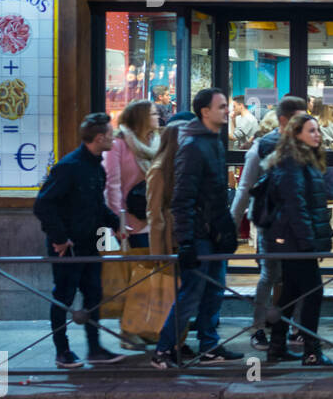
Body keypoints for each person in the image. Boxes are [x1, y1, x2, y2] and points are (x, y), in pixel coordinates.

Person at [152, 88, 242, 368]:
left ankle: (209, 345)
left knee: (215, 290)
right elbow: (183, 198)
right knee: (191, 292)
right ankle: (163, 350)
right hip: (200, 234)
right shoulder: (192, 146)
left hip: (213, 232)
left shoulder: (212, 142)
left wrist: (225, 228)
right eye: (222, 106)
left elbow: (215, 193)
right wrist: (187, 240)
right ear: (205, 111)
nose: (228, 110)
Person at [33, 113, 127, 368]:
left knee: (93, 294)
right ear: (99, 138)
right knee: (63, 296)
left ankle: (94, 348)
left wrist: (115, 224)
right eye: (110, 134)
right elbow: (43, 204)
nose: (114, 138)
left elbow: (97, 205)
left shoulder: (96, 166)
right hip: (69, 246)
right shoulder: (69, 166)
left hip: (91, 242)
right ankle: (62, 351)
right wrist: (60, 238)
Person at [230, 95, 309, 350]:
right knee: (270, 275)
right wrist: (232, 222)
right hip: (270, 224)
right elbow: (245, 188)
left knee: (296, 276)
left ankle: (295, 328)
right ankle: (259, 328)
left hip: (296, 223)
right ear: (284, 120)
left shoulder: (304, 145)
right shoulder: (263, 146)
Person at [261, 112, 333, 365]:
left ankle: (277, 346)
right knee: (314, 292)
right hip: (295, 241)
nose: (317, 135)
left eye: (317, 130)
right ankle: (311, 351)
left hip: (295, 240)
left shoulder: (303, 160)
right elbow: (296, 207)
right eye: (311, 131)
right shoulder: (293, 163)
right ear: (296, 134)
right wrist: (308, 244)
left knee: (290, 294)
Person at [103, 99, 162, 350]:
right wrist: (119, 221)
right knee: (134, 278)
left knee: (151, 277)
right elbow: (112, 186)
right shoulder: (118, 144)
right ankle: (128, 331)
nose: (157, 115)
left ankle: (144, 326)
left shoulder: (155, 143)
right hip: (131, 223)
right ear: (139, 117)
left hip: (153, 220)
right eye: (152, 113)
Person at [145, 118, 188, 360]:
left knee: (182, 293)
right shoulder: (160, 168)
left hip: (180, 236)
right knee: (172, 295)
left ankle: (176, 343)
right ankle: (167, 346)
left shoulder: (176, 164)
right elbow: (154, 214)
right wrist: (158, 253)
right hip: (169, 240)